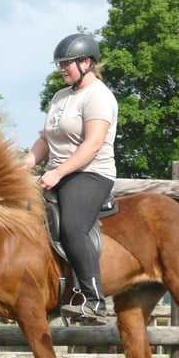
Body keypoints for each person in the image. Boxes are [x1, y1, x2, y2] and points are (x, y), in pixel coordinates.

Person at [23, 33, 118, 325]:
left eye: (68, 63)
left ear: (87, 62)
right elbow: (46, 139)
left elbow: (92, 145)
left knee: (73, 227)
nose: (63, 68)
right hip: (56, 172)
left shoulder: (99, 96)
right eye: (60, 64)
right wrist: (26, 163)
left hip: (90, 173)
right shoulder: (60, 97)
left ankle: (94, 301)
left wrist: (58, 172)